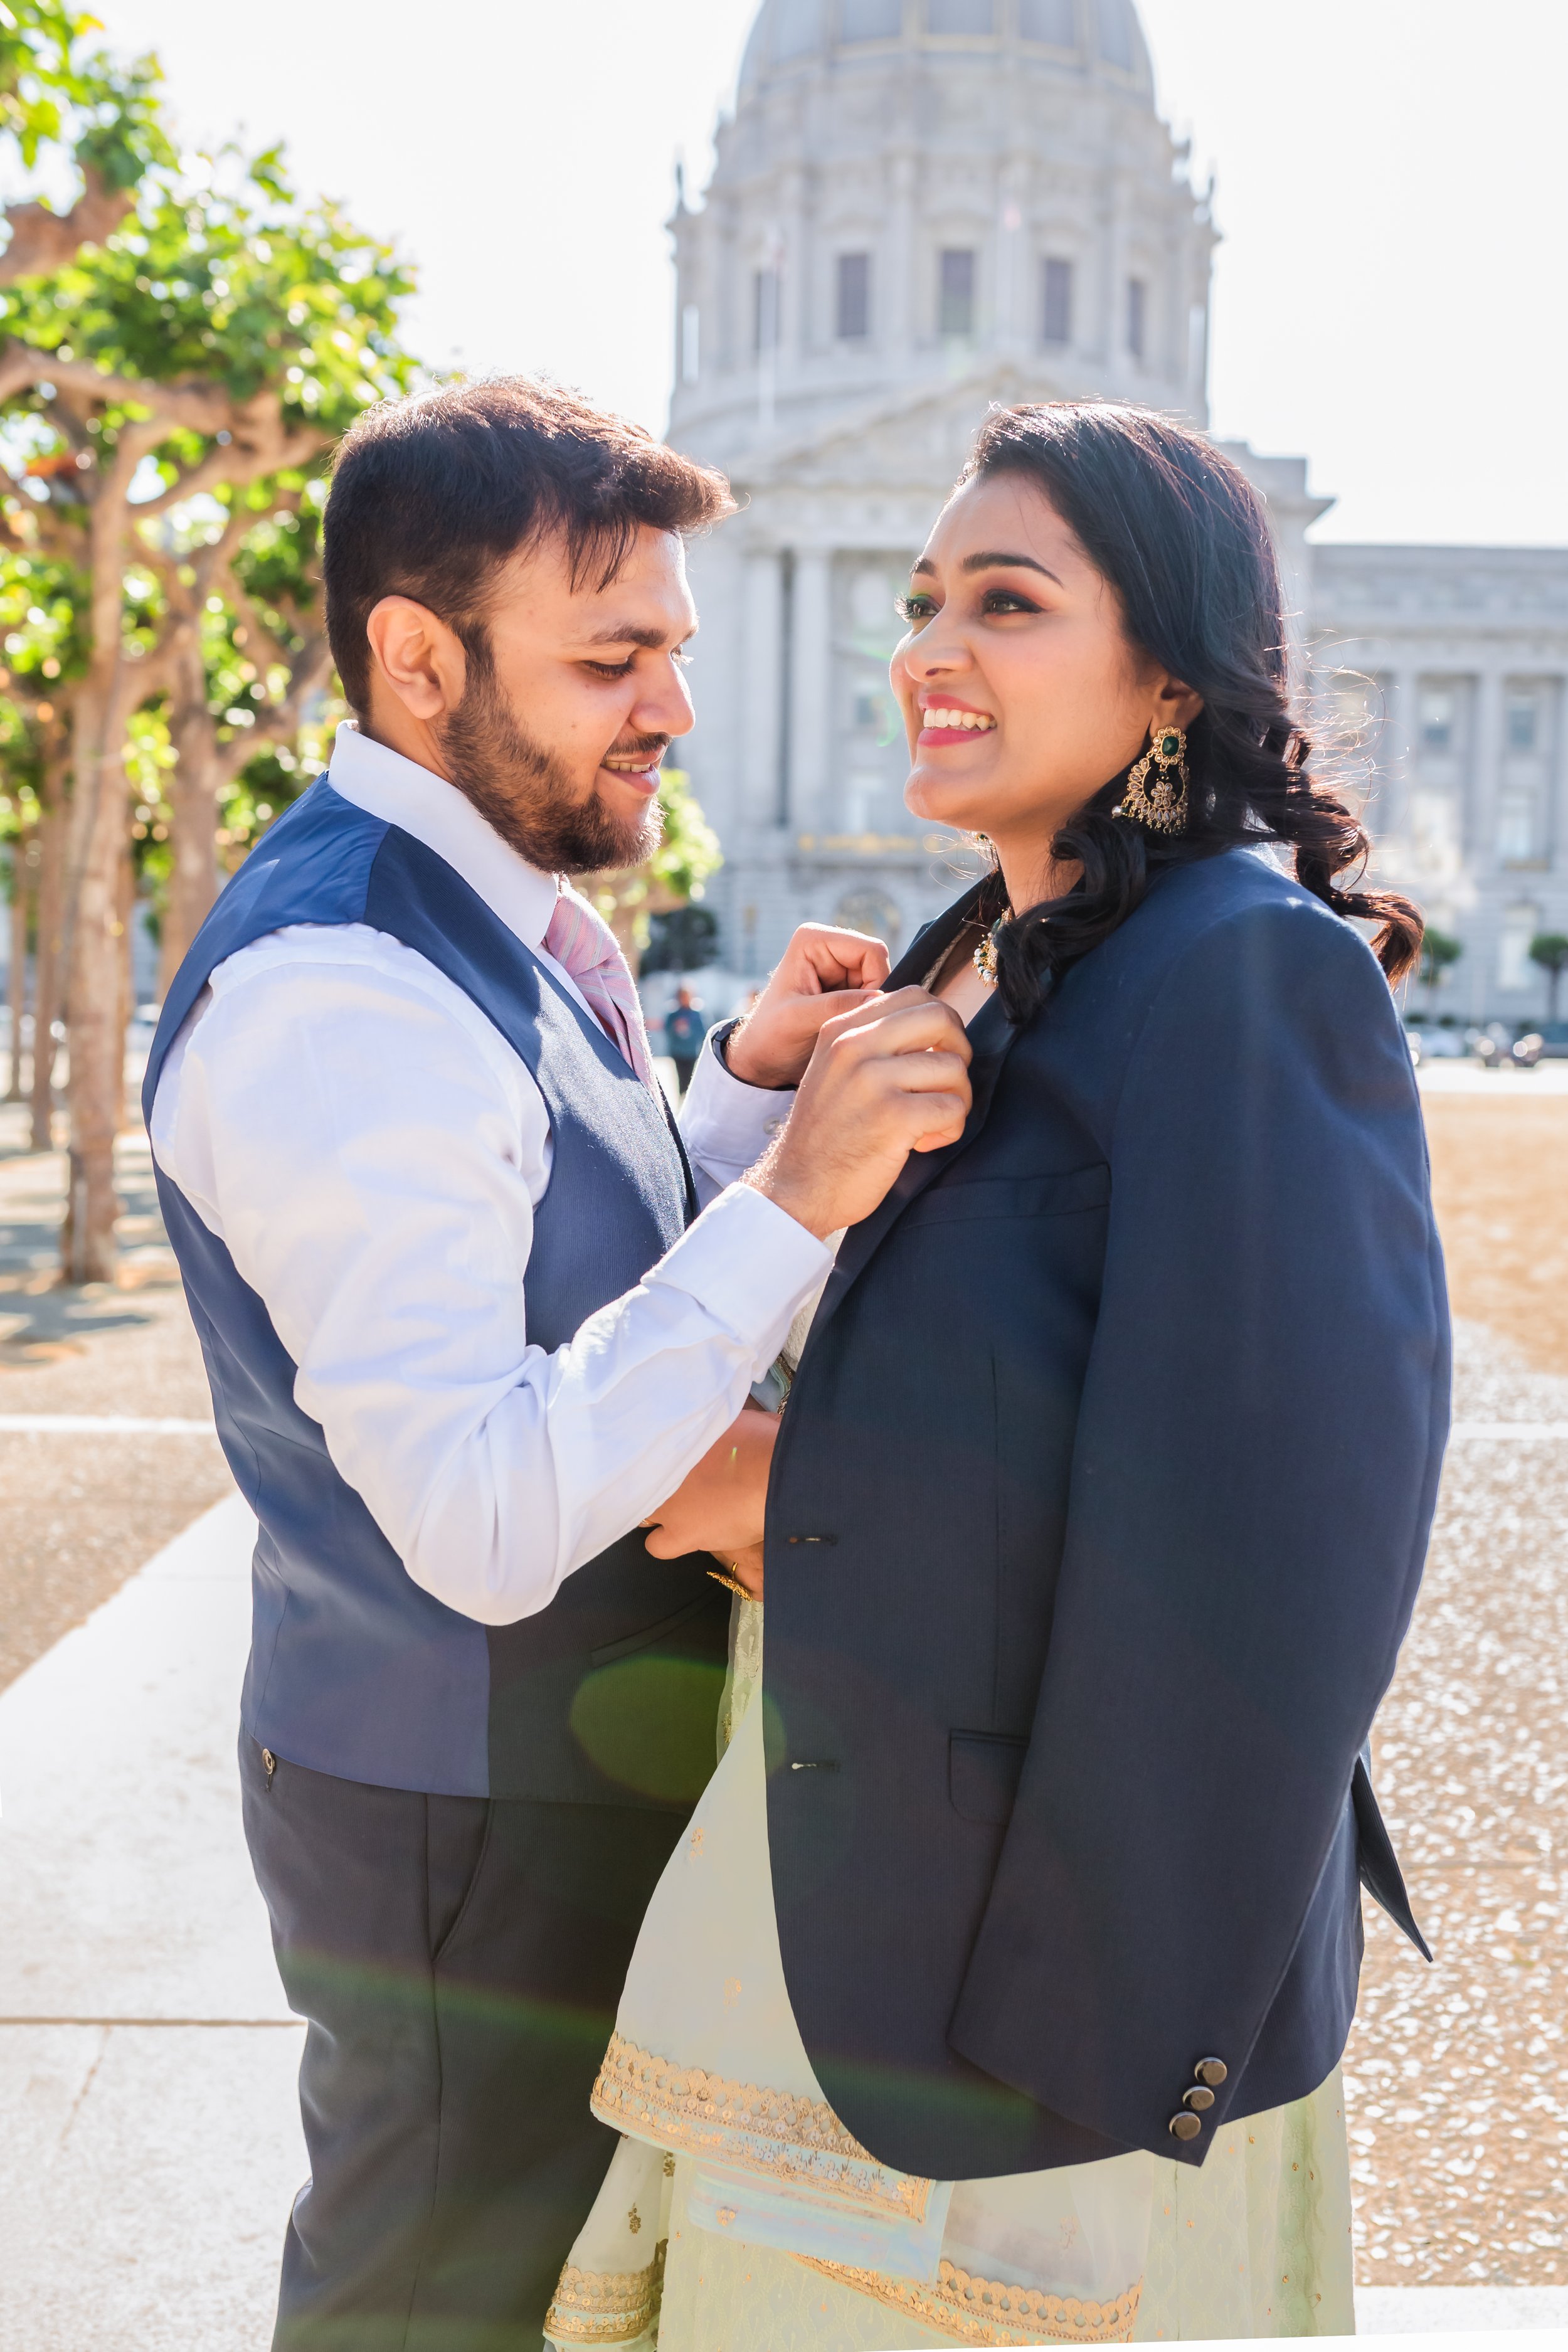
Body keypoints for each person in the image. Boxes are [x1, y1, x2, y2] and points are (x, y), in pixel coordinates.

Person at [544, 403, 1449, 2349]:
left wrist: (773, 1496)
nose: (927, 647)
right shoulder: (994, 952)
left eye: (1007, 600)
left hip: (1039, 2004)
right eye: (921, 594)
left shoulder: (1238, 965)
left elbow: (1276, 1555)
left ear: (1166, 683)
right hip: (853, 1889)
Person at [142, 377, 973, 2351]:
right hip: (458, 1804)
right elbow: (492, 1513)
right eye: (610, 658)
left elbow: (531, 1244)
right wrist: (800, 1205)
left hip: (512, 1776)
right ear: (417, 660)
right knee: (433, 2296)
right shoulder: (340, 985)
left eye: (673, 649)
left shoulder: (481, 916)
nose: (672, 707)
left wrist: (746, 1110)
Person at [664, 983, 707, 1095]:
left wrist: (689, 1030)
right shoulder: (674, 1014)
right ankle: (681, 1095)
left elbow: (702, 1032)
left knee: (690, 1076)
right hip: (678, 1051)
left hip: (691, 1051)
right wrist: (676, 1027)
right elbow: (667, 1029)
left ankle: (687, 1096)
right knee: (680, 1076)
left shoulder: (697, 1014)